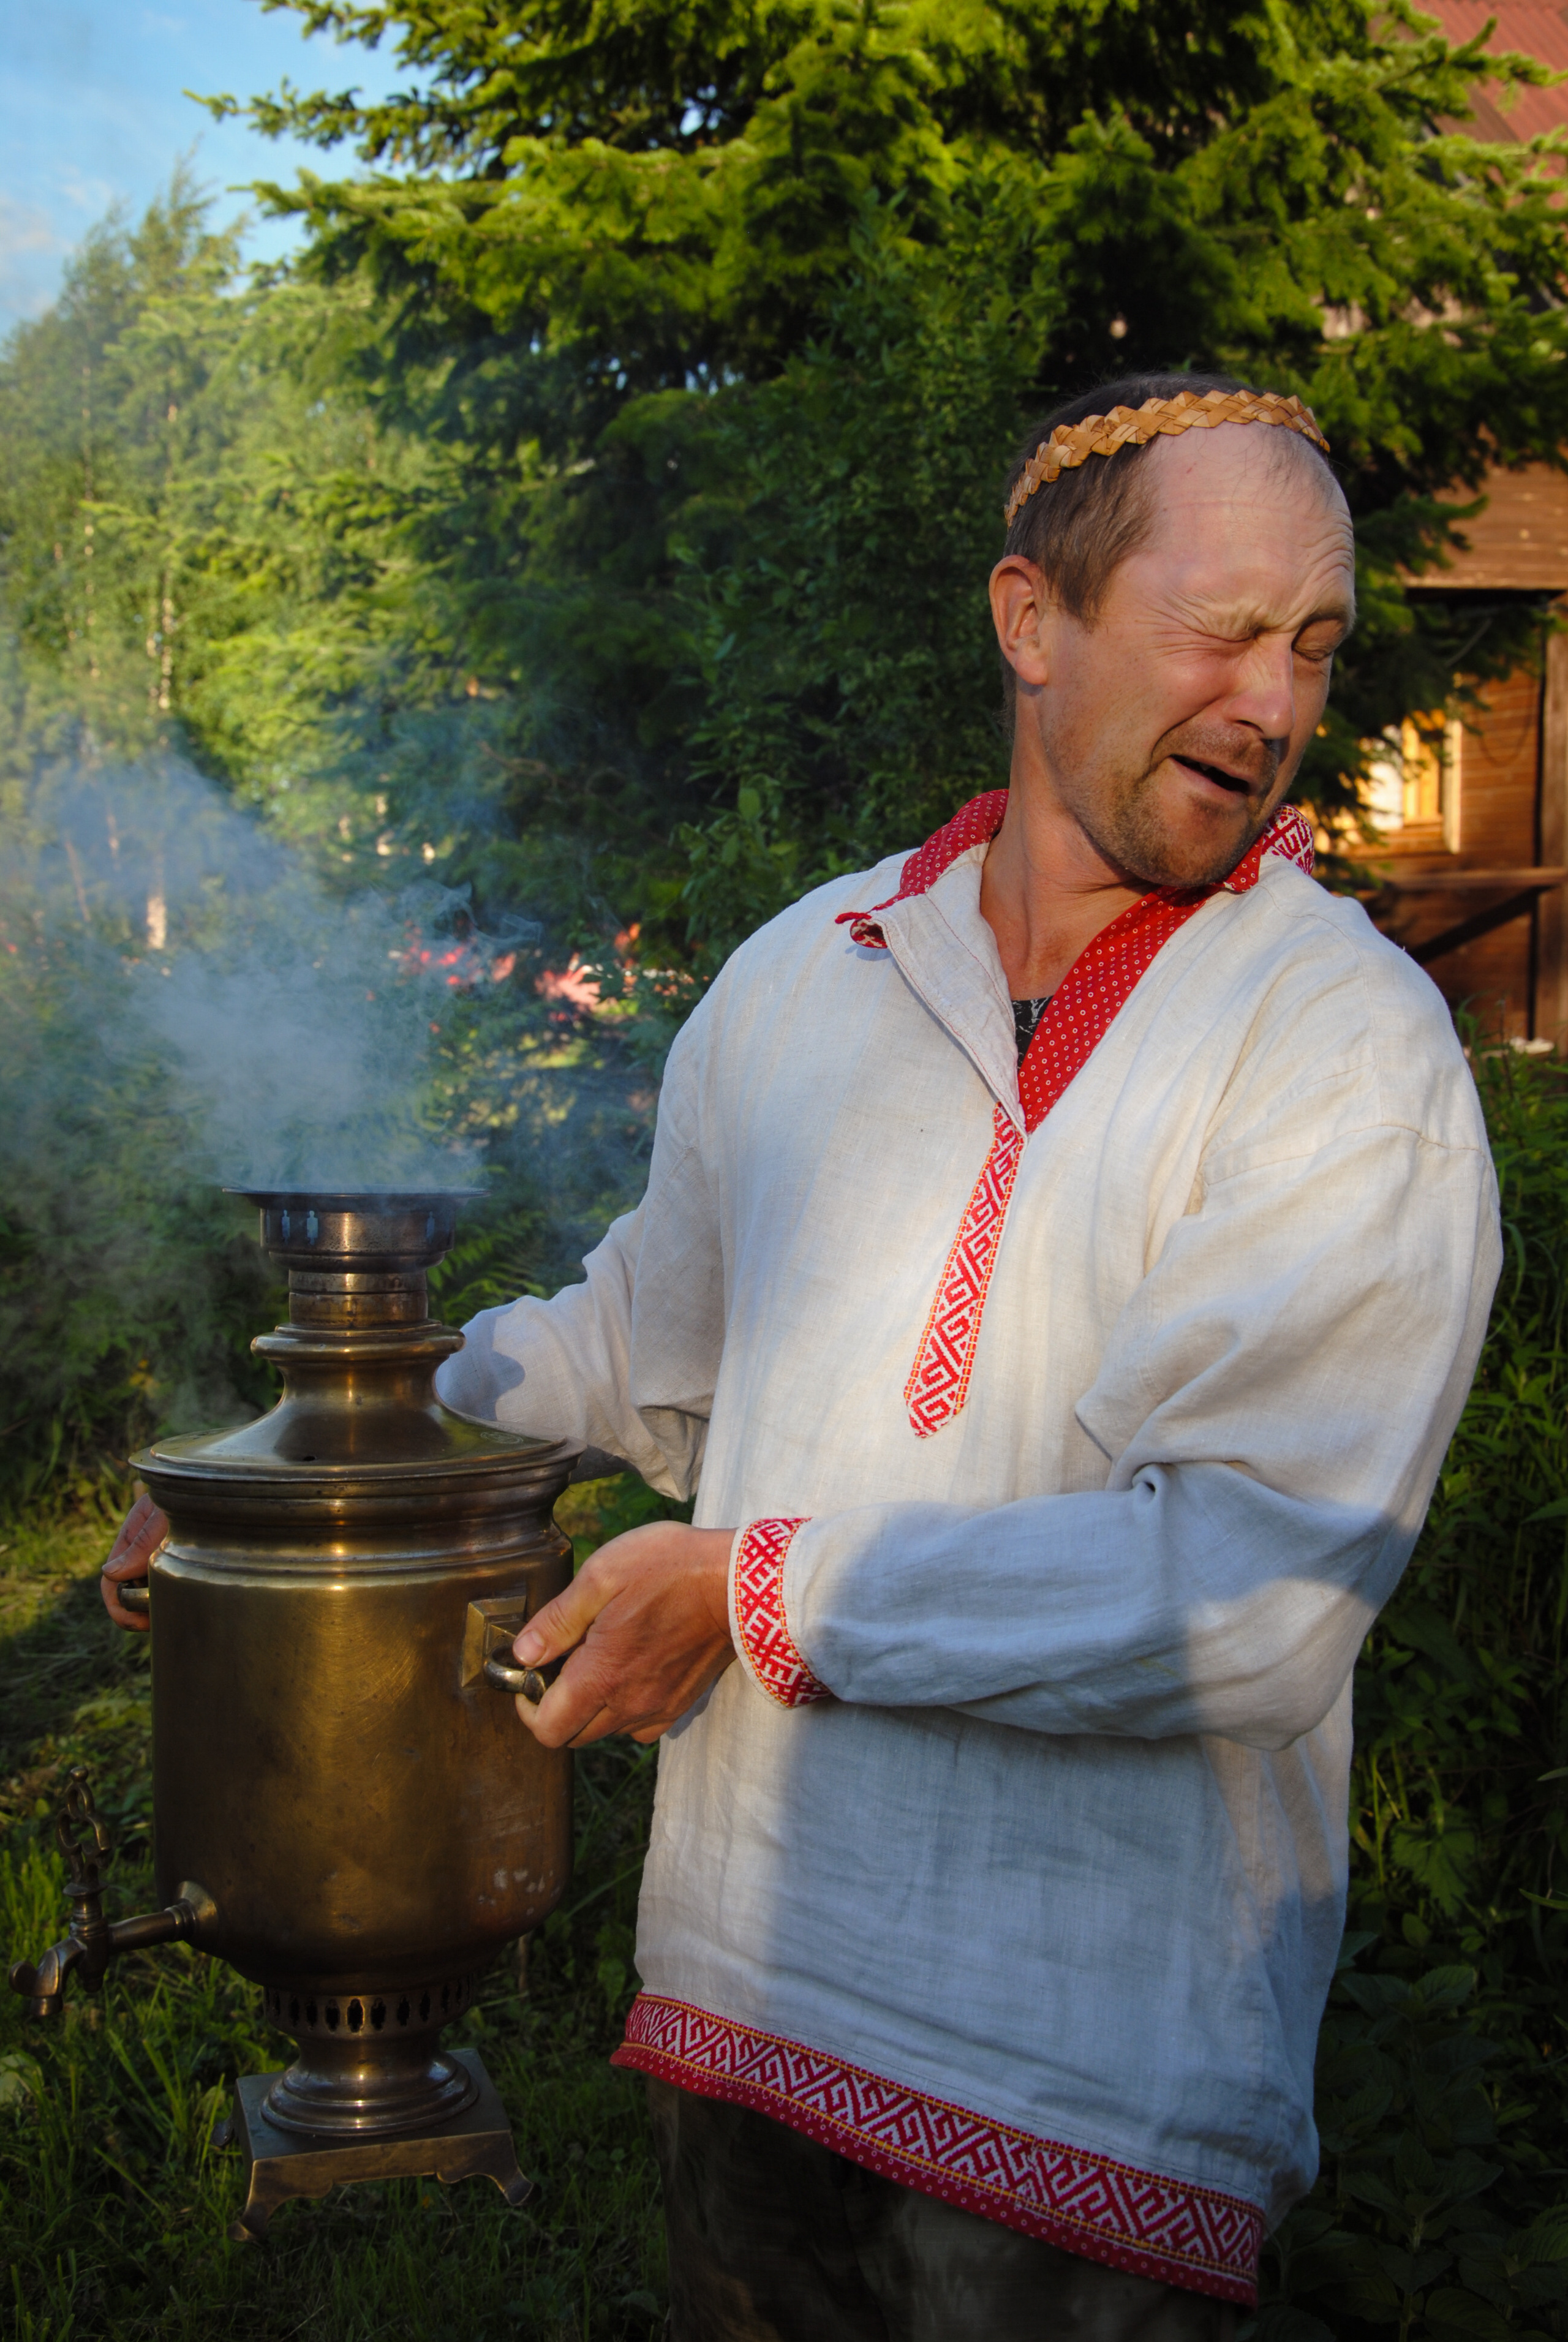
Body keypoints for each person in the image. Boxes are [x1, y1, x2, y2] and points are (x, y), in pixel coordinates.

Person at [105, 374, 1501, 2342]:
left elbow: (1250, 1593)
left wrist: (755, 1598)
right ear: (1034, 622)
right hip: (749, 2004)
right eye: (1217, 631)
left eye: (1315, 648)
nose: (1271, 705)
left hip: (1088, 2094)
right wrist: (282, 1500)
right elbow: (631, 1344)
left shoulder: (1343, 1044)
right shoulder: (803, 972)